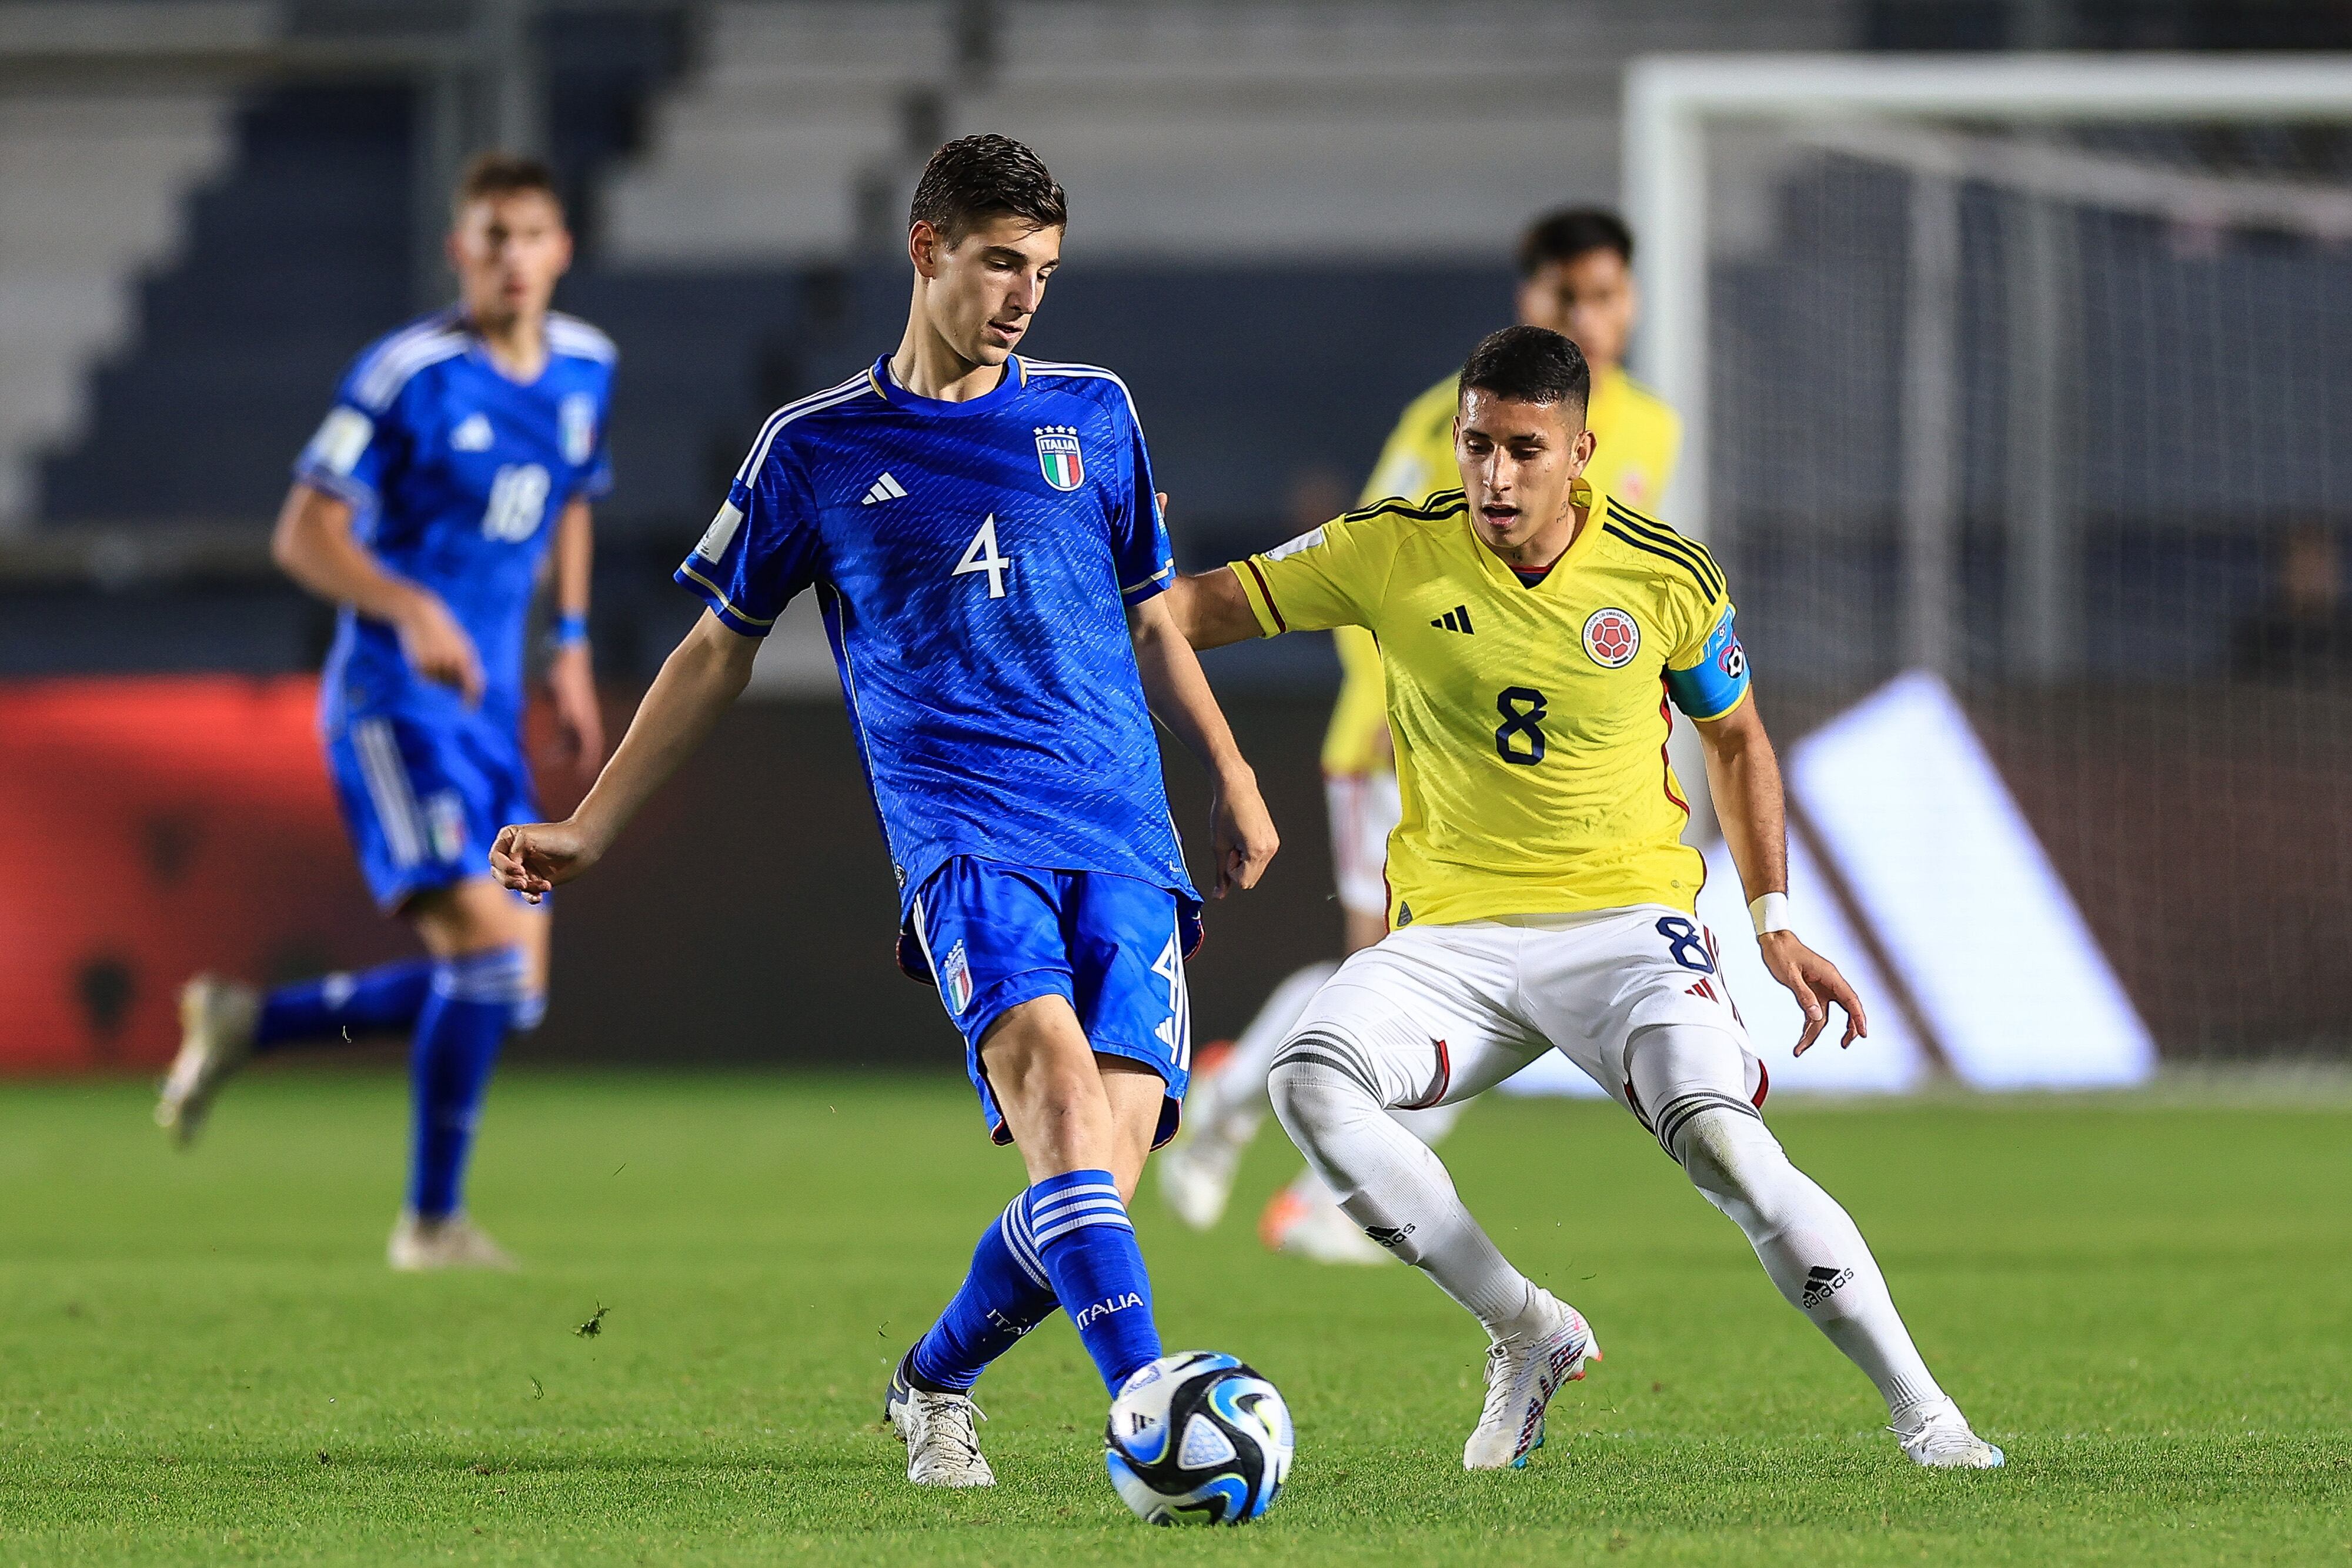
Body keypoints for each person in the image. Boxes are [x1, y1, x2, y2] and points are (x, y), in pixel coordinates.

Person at [486, 135, 1278, 1489]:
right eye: (998, 263)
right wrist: (594, 821)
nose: (1025, 295)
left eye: (1043, 269)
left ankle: (934, 1377)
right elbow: (712, 646)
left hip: (1125, 837)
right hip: (964, 836)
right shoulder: (815, 448)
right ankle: (1150, 1401)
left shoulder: (1093, 413)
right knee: (1058, 1113)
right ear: (926, 251)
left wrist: (1233, 766)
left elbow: (1156, 607)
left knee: (1092, 1183)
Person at [1166, 325, 2003, 1473]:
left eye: (1522, 449)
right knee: (1307, 1076)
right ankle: (1523, 1326)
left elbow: (1739, 739)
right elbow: (1186, 612)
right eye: (1474, 446)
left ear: (1579, 453)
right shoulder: (1388, 549)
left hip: (1625, 930)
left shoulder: (1662, 574)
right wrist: (1111, 551)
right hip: (1452, 936)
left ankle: (1929, 1416)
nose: (1493, 477)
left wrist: (1771, 922)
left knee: (1725, 1146)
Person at [1161, 208, 1681, 1263]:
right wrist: (1419, 718)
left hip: (1533, 763)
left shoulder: (1652, 429)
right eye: (1564, 296)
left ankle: (1240, 1105)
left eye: (1606, 295)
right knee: (1400, 971)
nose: (1588, 314)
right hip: (1404, 745)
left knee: (1409, 974)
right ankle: (1314, 1186)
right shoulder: (1445, 423)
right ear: (1527, 298)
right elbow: (1374, 581)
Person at [155, 153, 613, 1272]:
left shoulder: (588, 367)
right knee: (495, 965)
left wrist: (567, 645)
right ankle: (430, 1224)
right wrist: (408, 605)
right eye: (490, 237)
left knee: (513, 989)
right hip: (391, 702)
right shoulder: (409, 373)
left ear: (561, 250)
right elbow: (303, 530)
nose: (512, 257)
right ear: (459, 251)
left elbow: (568, 502)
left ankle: (250, 1025)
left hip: (491, 709)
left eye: (531, 236)